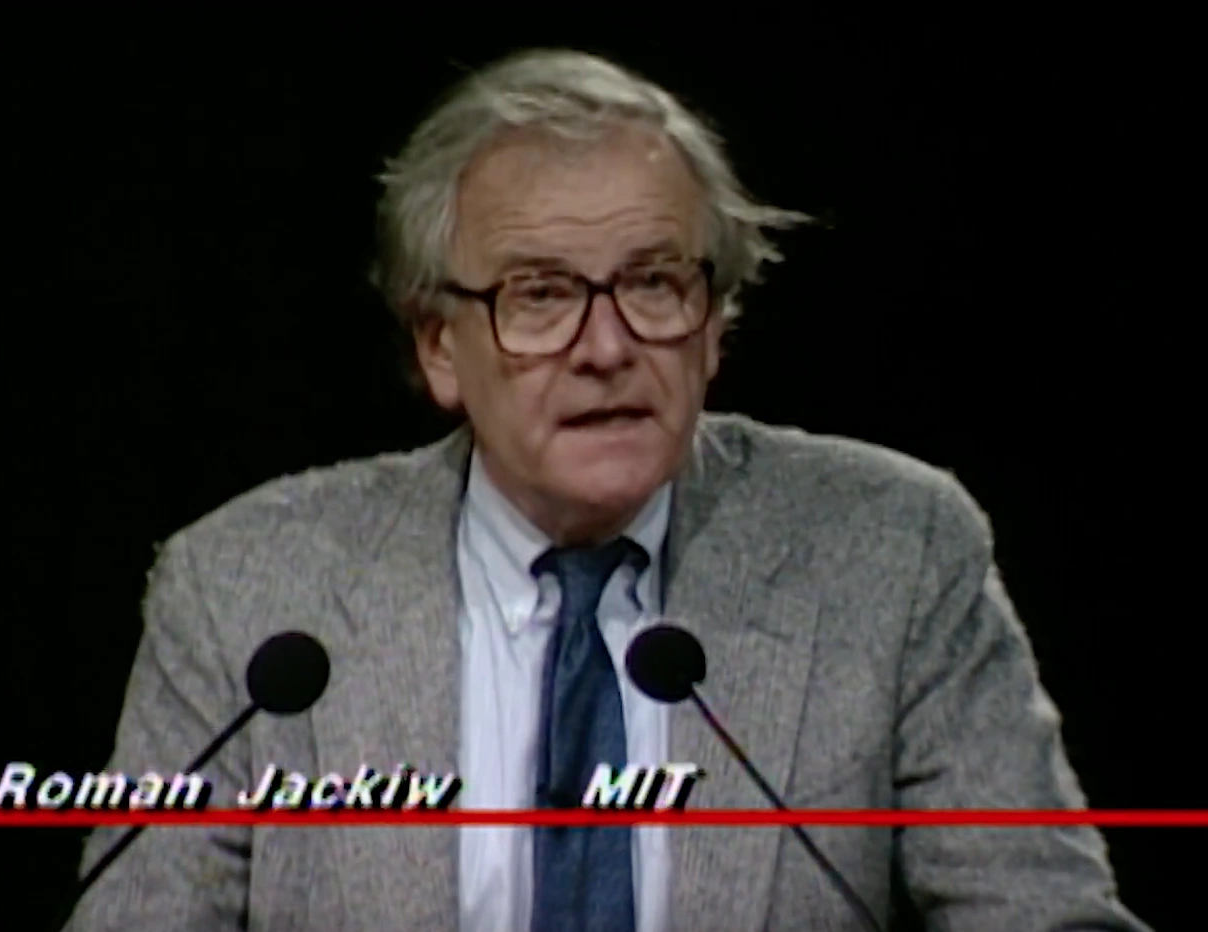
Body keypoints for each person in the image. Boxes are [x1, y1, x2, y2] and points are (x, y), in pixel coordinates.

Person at [65, 48, 1149, 932]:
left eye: (653, 283)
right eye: (541, 295)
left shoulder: (895, 551)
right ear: (440, 346)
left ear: (714, 323)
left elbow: (1045, 914)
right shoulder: (246, 588)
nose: (607, 347)